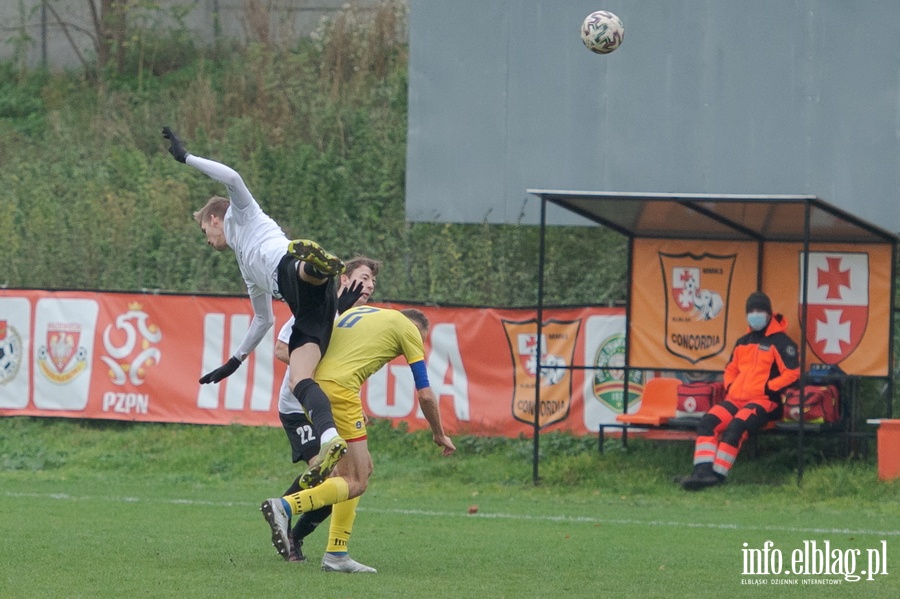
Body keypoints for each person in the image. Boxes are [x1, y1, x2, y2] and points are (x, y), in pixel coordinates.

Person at [162, 127, 357, 485]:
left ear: (213, 219)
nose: (207, 241)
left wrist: (185, 158)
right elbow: (263, 319)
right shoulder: (245, 266)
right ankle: (329, 438)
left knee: (293, 269)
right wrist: (234, 361)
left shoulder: (242, 215)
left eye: (205, 232)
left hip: (289, 270)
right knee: (301, 380)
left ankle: (314, 264)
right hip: (313, 310)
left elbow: (233, 177)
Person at [260, 306, 456, 572]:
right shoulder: (409, 328)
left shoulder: (363, 313)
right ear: (417, 329)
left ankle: (337, 552)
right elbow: (425, 394)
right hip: (340, 392)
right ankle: (286, 506)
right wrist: (439, 433)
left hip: (310, 389)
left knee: (358, 470)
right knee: (356, 480)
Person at [274, 256, 380, 563]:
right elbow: (282, 349)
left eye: (373, 280)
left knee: (360, 472)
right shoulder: (317, 304)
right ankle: (281, 512)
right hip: (298, 406)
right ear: (344, 280)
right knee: (334, 471)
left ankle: (293, 533)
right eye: (364, 276)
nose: (370, 284)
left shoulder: (358, 319)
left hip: (329, 409)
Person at [679, 291, 800, 490]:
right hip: (735, 399)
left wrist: (769, 388)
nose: (755, 314)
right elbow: (730, 369)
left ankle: (716, 477)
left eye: (759, 310)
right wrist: (731, 386)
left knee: (736, 428)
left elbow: (793, 373)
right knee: (708, 423)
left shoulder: (782, 343)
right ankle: (701, 473)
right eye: (751, 311)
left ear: (769, 314)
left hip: (764, 402)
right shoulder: (743, 342)